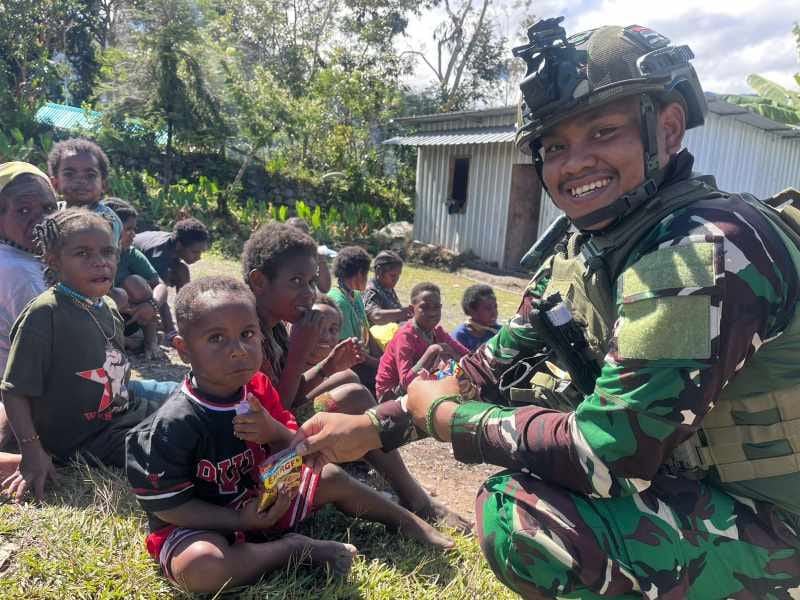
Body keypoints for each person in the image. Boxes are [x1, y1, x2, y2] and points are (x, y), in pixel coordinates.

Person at [291, 18, 800, 599]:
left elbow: (606, 454)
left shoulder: (703, 251)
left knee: (524, 517)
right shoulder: (587, 252)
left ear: (667, 128)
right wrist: (372, 426)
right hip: (700, 490)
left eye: (603, 132)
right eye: (555, 146)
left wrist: (444, 418)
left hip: (775, 524)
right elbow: (492, 365)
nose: (574, 162)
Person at [125, 276, 452, 593]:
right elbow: (170, 507)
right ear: (184, 350)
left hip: (265, 501)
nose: (238, 349)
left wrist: (273, 429)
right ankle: (292, 550)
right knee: (200, 568)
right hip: (201, 526)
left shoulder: (257, 388)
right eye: (216, 338)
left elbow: (298, 446)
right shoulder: (173, 424)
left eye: (247, 334)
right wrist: (239, 520)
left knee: (330, 476)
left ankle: (407, 520)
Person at [243, 222, 470, 531]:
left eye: (311, 282)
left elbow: (290, 393)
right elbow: (274, 412)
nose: (309, 293)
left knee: (349, 378)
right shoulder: (247, 334)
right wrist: (298, 353)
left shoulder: (274, 325)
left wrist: (328, 366)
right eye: (296, 281)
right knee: (354, 395)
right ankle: (415, 499)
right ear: (259, 281)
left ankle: (396, 481)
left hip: (280, 425)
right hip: (261, 447)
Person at [0, 208, 169, 503]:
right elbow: (14, 391)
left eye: (107, 252)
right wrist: (31, 449)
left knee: (194, 411)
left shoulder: (106, 304)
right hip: (87, 437)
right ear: (54, 260)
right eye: (82, 253)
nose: (100, 262)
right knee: (176, 449)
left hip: (123, 411)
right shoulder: (45, 313)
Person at [0, 162, 58, 449]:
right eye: (23, 211)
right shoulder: (18, 270)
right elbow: (54, 344)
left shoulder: (23, 258)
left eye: (49, 208)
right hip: (24, 393)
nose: (41, 220)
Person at [375, 282, 468, 402]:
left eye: (436, 307)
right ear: (412, 309)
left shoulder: (437, 332)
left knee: (462, 379)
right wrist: (431, 351)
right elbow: (405, 383)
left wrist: (454, 356)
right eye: (425, 307)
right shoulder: (406, 336)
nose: (432, 313)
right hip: (392, 394)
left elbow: (467, 356)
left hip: (421, 385)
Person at [134, 217, 210, 342]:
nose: (199, 257)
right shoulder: (158, 255)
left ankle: (187, 320)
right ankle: (168, 328)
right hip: (129, 273)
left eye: (201, 252)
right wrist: (171, 331)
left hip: (154, 262)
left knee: (182, 271)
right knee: (160, 288)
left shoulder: (177, 242)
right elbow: (160, 295)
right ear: (179, 245)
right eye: (195, 252)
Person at [105, 198, 163, 359]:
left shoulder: (130, 253)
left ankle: (150, 342)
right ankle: (124, 342)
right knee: (118, 295)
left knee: (135, 283)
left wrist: (152, 305)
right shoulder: (94, 255)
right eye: (128, 229)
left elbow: (159, 285)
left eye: (134, 229)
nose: (134, 234)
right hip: (99, 316)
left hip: (130, 318)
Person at [47, 138, 123, 244]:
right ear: (55, 184)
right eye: (69, 174)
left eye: (90, 175)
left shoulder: (107, 219)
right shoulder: (52, 212)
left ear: (103, 185)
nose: (81, 181)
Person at [327, 246, 382, 391]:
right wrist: (379, 364)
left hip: (365, 360)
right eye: (366, 273)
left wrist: (383, 357)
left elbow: (366, 332)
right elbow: (348, 353)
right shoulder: (338, 302)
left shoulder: (355, 295)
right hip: (350, 367)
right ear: (359, 273)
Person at [285, 216, 333, 293]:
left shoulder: (310, 258)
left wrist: (321, 260)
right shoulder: (279, 256)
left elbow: (325, 288)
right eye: (292, 234)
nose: (297, 239)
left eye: (301, 236)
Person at [363, 250, 412, 326]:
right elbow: (375, 316)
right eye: (392, 275)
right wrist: (403, 312)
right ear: (378, 271)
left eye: (398, 275)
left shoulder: (387, 288)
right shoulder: (371, 290)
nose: (396, 279)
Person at [451, 284, 501, 352]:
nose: (494, 312)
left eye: (495, 307)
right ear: (472, 311)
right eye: (488, 308)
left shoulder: (498, 332)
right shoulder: (461, 335)